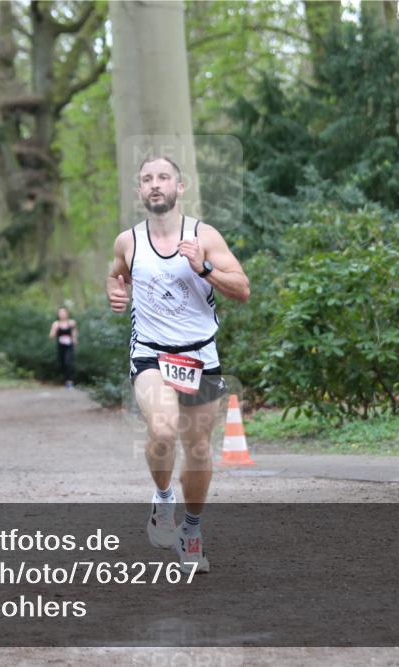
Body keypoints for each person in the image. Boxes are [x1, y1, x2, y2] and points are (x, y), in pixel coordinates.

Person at [105, 157, 250, 573]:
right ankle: (164, 499)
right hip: (151, 352)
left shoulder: (204, 236)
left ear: (179, 187)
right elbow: (116, 276)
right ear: (139, 191)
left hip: (200, 355)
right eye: (147, 179)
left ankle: (191, 530)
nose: (155, 184)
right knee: (164, 429)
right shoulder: (128, 241)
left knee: (199, 449)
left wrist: (204, 267)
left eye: (163, 177)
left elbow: (242, 288)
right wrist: (116, 293)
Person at [48, 306, 78, 388]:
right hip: (61, 347)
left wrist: (75, 343)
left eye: (64, 312)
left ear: (67, 313)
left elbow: (74, 334)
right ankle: (65, 379)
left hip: (69, 346)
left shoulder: (72, 322)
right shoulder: (56, 324)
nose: (62, 314)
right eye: (60, 312)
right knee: (62, 364)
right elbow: (51, 336)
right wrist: (55, 329)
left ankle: (69, 381)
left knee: (68, 362)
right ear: (58, 314)